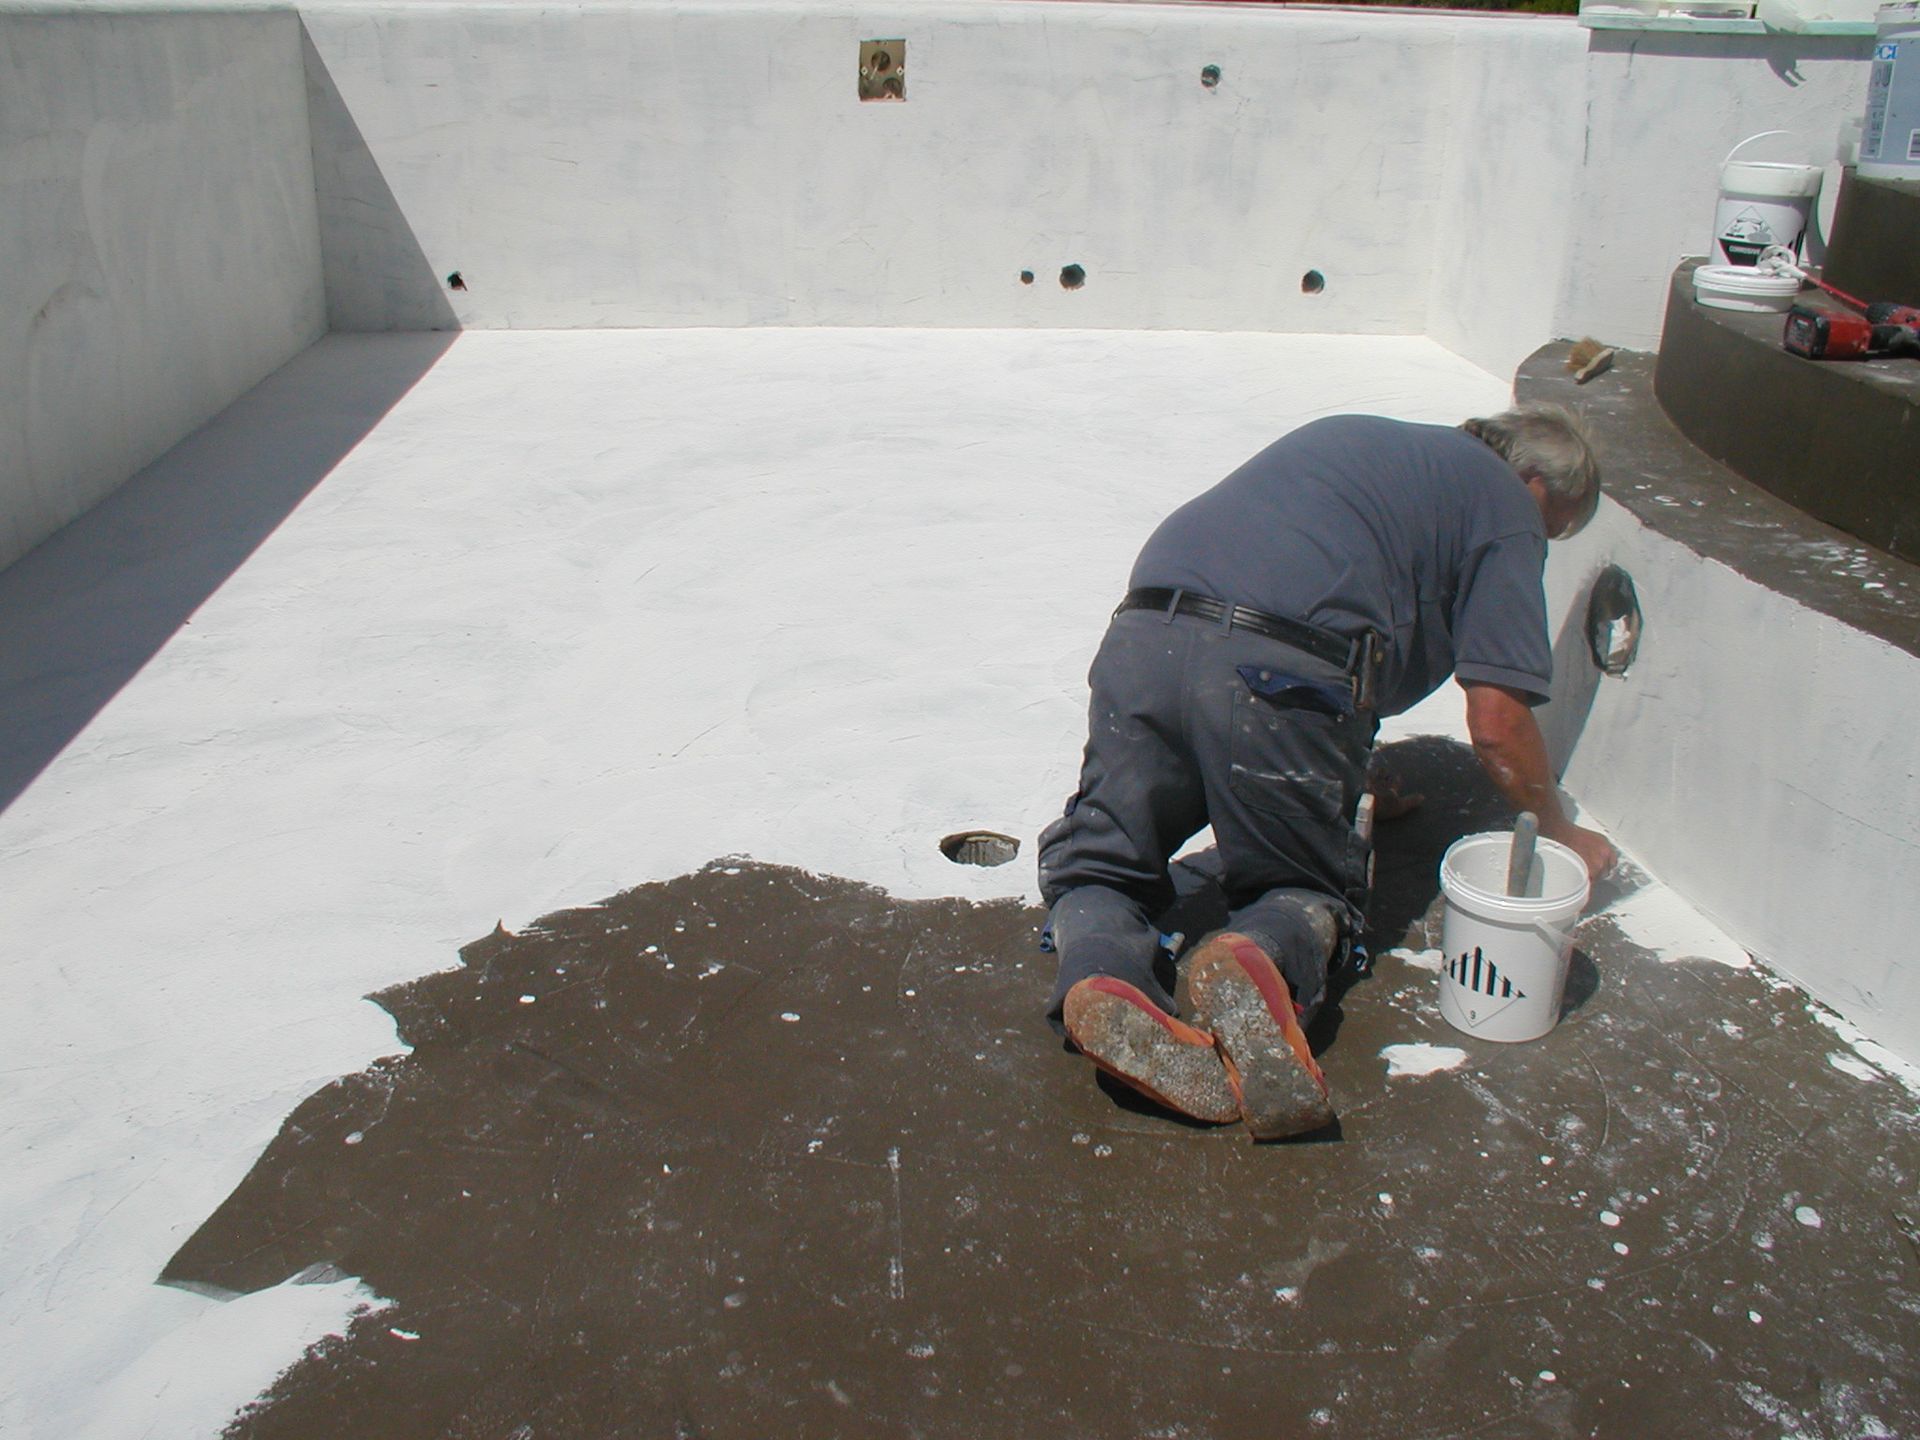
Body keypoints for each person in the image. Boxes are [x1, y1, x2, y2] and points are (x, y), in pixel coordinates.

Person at [1036, 406, 1616, 1140]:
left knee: (1104, 863)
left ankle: (1097, 973)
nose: (1543, 544)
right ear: (1534, 482)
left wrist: (1347, 770)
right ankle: (1258, 957)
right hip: (1275, 679)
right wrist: (1562, 830)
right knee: (1303, 887)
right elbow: (1498, 723)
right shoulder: (1506, 507)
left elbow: (1304, 582)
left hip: (1144, 636)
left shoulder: (1372, 450)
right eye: (1555, 527)